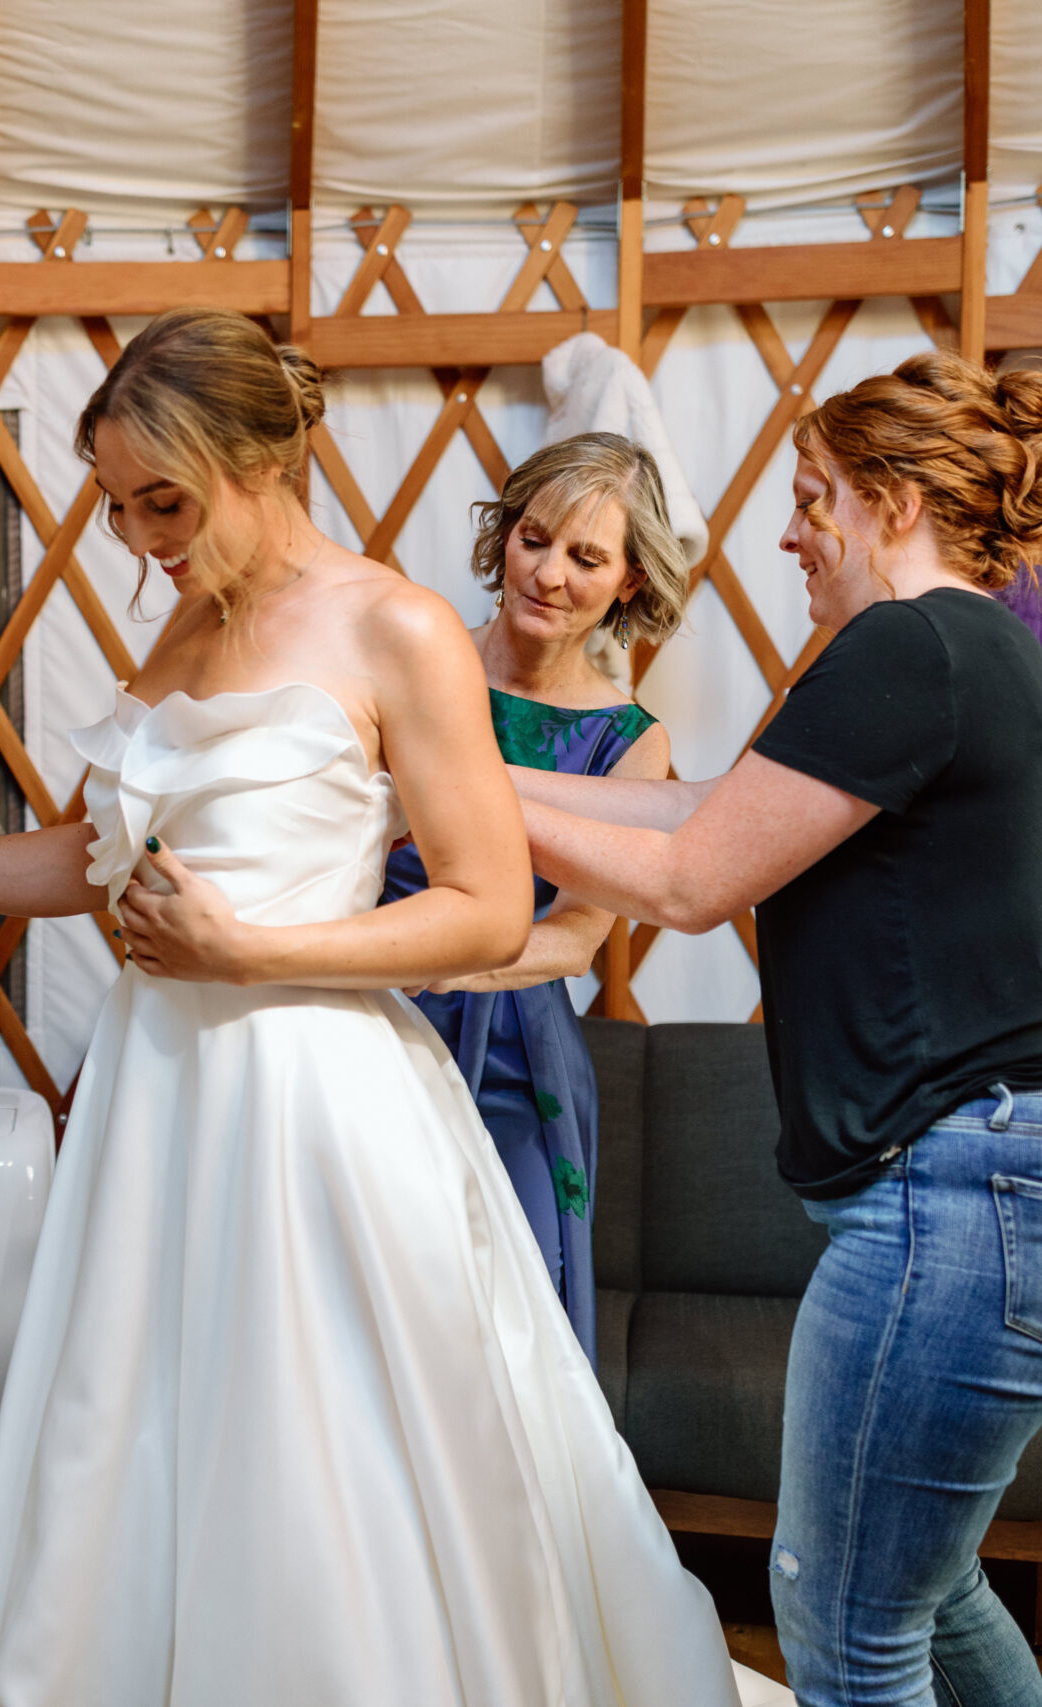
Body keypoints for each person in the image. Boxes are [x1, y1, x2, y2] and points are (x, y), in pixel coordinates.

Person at [0, 307, 774, 1707]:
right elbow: (82, 861)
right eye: (116, 506)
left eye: (165, 501)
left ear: (262, 460)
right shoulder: (185, 627)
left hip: (315, 1098)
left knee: (321, 1447)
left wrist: (246, 951)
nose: (138, 537)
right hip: (157, 1098)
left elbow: (487, 908)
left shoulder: (398, 627)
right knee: (136, 1436)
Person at [506, 353, 1042, 1707]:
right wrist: (469, 768)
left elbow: (689, 881)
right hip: (1028, 1186)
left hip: (974, 1196)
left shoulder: (908, 643)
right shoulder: (961, 647)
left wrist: (453, 800)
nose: (790, 532)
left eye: (813, 498)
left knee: (847, 1629)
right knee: (928, 1588)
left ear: (893, 502)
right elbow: (705, 809)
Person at [383, 431, 686, 1351]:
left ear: (629, 581)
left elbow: (579, 935)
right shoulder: (415, 659)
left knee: (508, 1317)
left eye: (587, 557)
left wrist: (457, 959)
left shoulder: (629, 741)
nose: (549, 574)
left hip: (514, 1039)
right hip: (370, 1004)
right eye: (534, 538)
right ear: (504, 535)